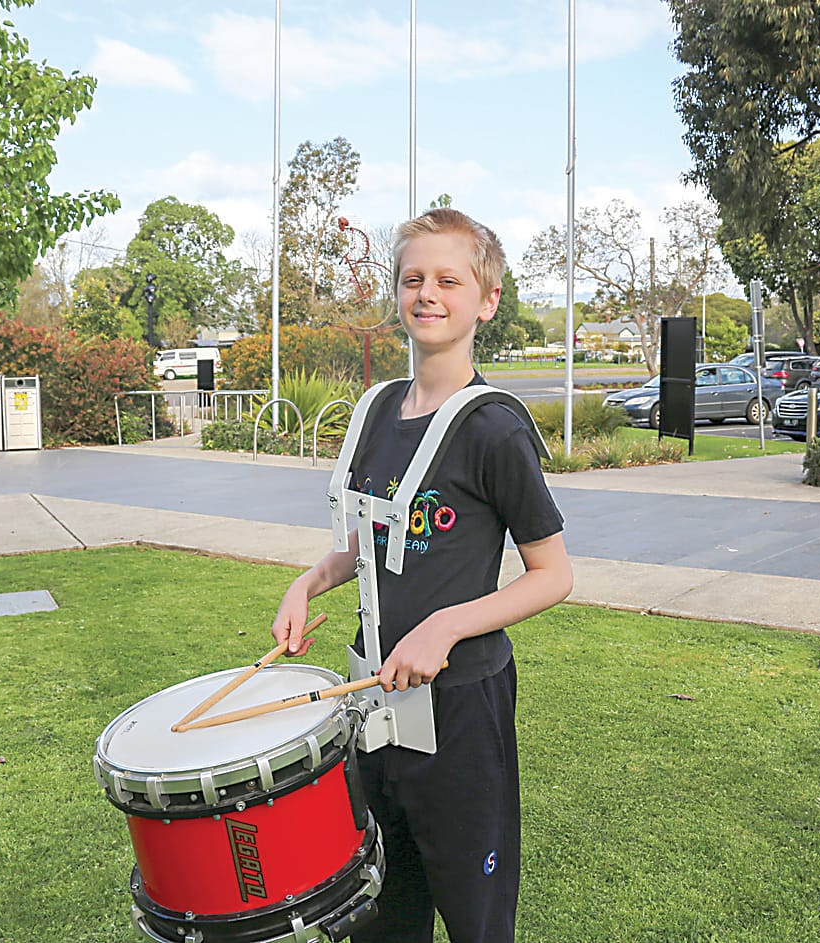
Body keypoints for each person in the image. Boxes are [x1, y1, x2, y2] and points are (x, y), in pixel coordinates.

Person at [271, 208, 572, 943]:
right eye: (413, 279)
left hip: (462, 703)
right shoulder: (375, 412)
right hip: (373, 695)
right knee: (380, 906)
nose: (427, 293)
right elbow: (367, 543)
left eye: (448, 279)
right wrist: (308, 583)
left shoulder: (495, 429)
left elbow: (553, 574)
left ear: (486, 300)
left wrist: (448, 623)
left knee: (474, 913)